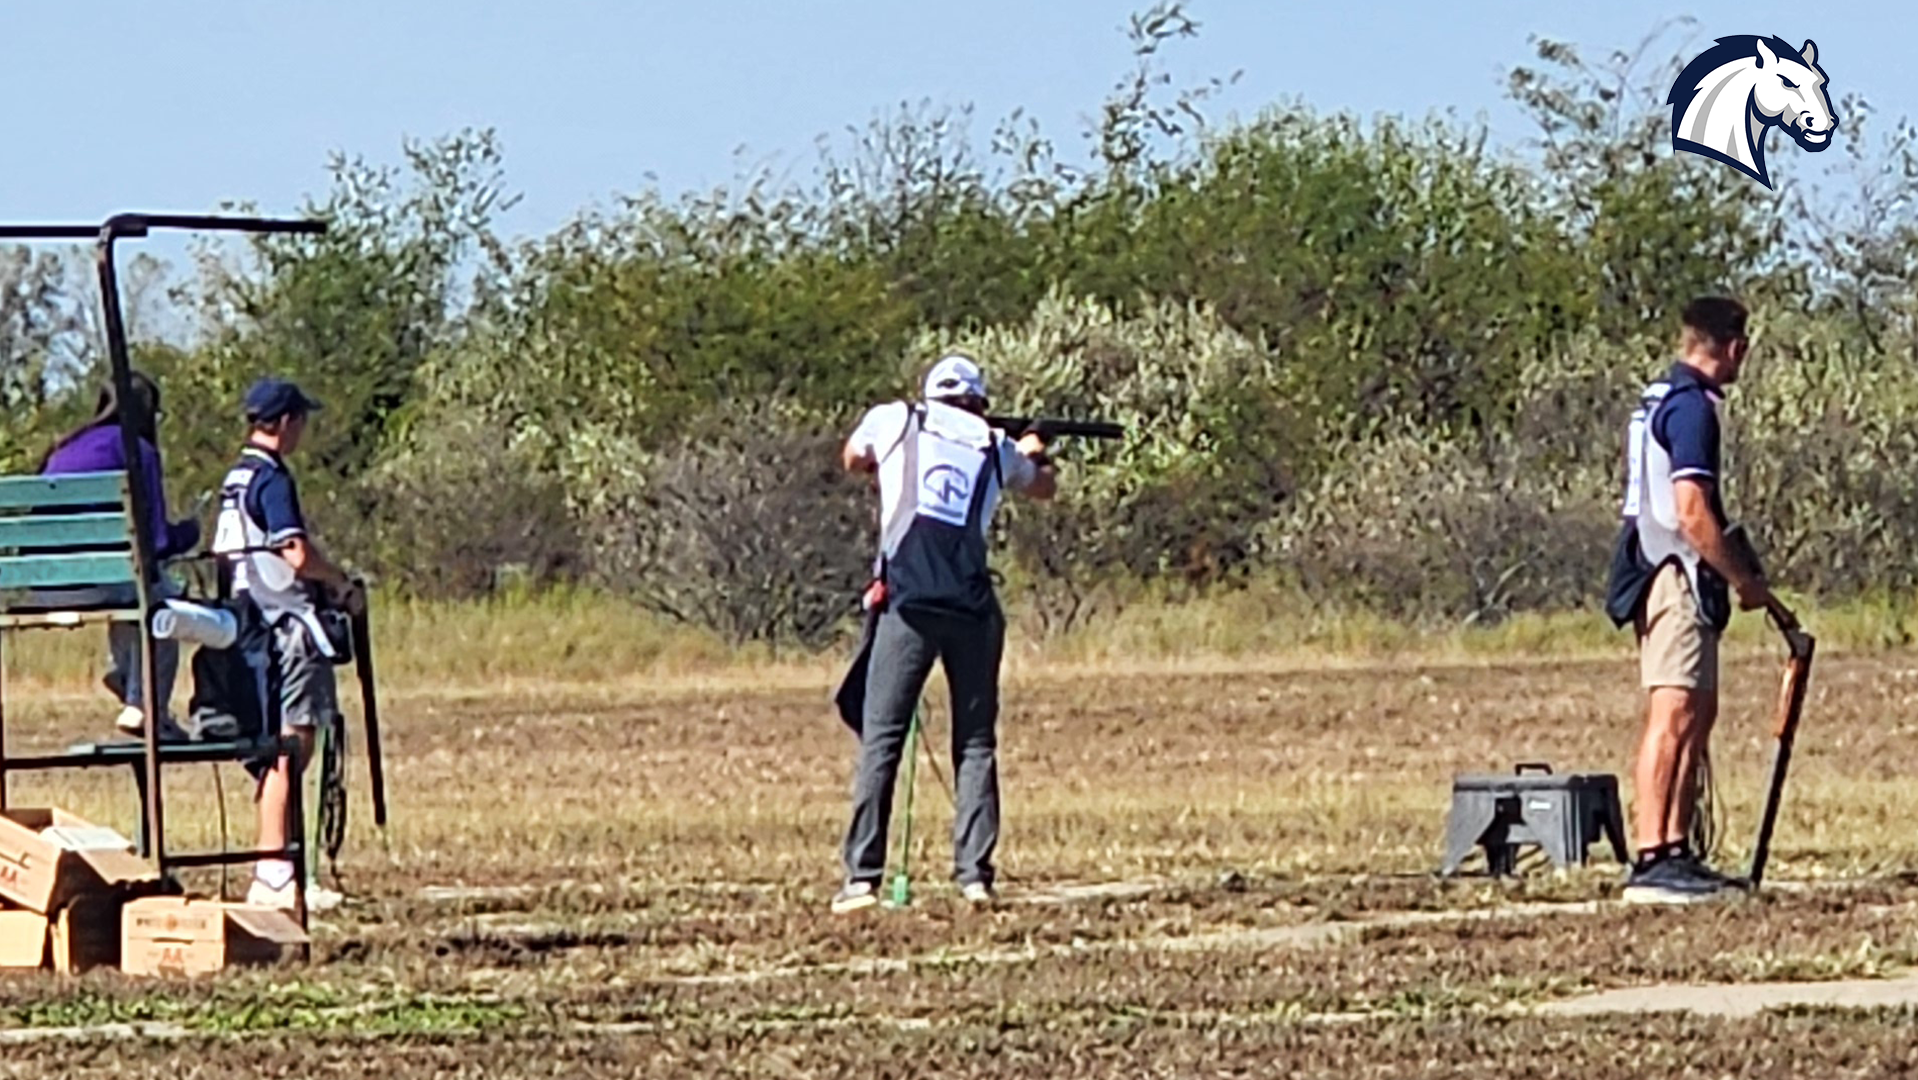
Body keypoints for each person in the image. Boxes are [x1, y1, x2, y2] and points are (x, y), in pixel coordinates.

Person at [831, 354, 1056, 914]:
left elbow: (853, 458)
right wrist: (1033, 450)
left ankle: (862, 880)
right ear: (980, 402)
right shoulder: (995, 446)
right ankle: (974, 876)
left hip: (906, 604)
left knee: (882, 738)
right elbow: (1043, 487)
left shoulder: (895, 418)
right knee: (975, 741)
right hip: (972, 605)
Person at [1605, 297, 1773, 904]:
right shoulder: (1690, 410)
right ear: (1732, 347)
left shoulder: (1665, 399)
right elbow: (1691, 512)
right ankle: (1653, 856)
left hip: (1678, 572)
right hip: (1674, 573)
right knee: (1673, 713)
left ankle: (1675, 848)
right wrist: (1742, 579)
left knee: (1697, 712)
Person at [210, 377, 362, 913]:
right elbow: (294, 551)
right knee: (291, 751)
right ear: (287, 423)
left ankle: (278, 864)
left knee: (276, 752)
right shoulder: (272, 478)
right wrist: (338, 582)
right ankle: (276, 871)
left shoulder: (234, 478)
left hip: (245, 626)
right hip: (288, 627)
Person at [37, 370, 203, 741]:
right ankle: (144, 704)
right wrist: (190, 532)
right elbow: (158, 542)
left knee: (130, 586)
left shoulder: (62, 449)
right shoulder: (136, 450)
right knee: (162, 604)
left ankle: (128, 675)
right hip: (103, 582)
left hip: (44, 586)